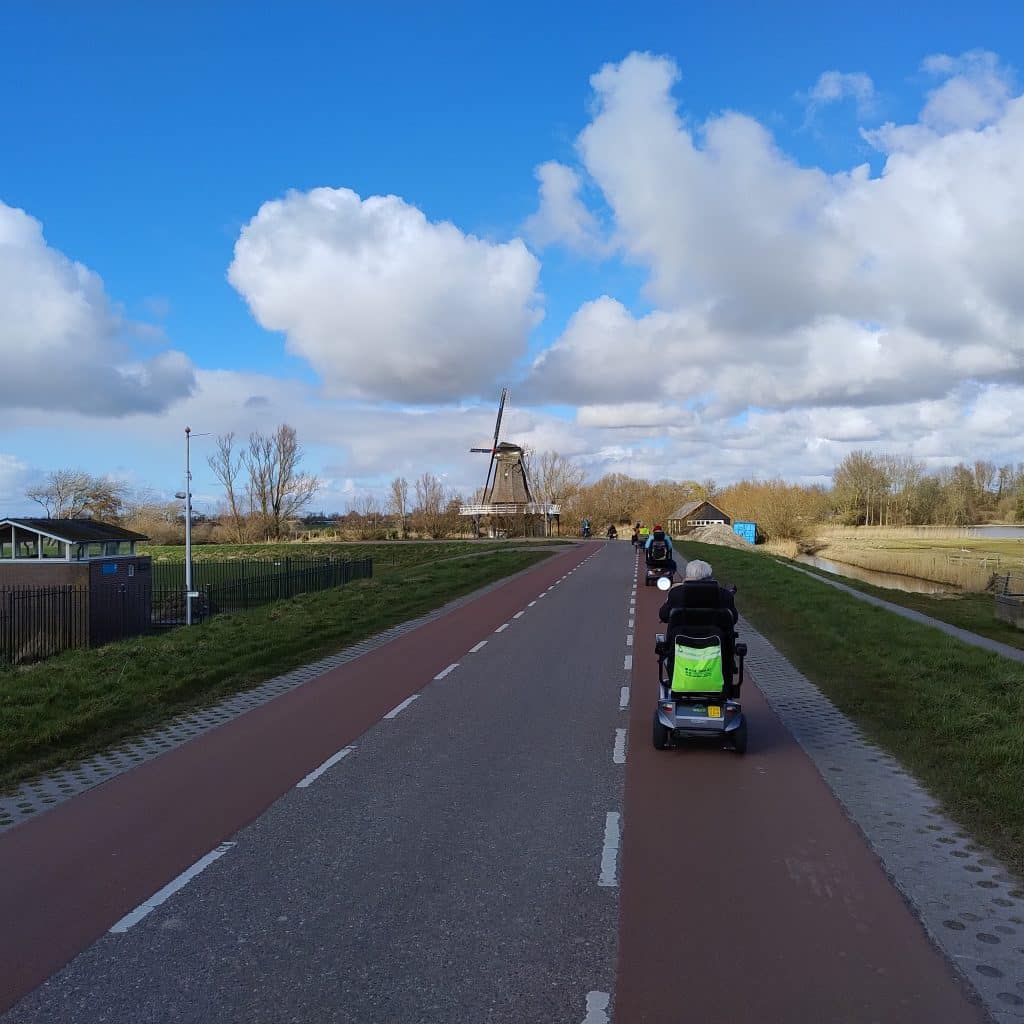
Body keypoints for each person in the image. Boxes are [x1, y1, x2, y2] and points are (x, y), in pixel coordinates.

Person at [658, 559, 738, 625]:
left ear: (688, 575)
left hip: (682, 637)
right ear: (709, 575)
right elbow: (733, 619)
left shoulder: (676, 592)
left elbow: (664, 616)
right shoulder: (724, 594)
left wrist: (669, 596)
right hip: (716, 637)